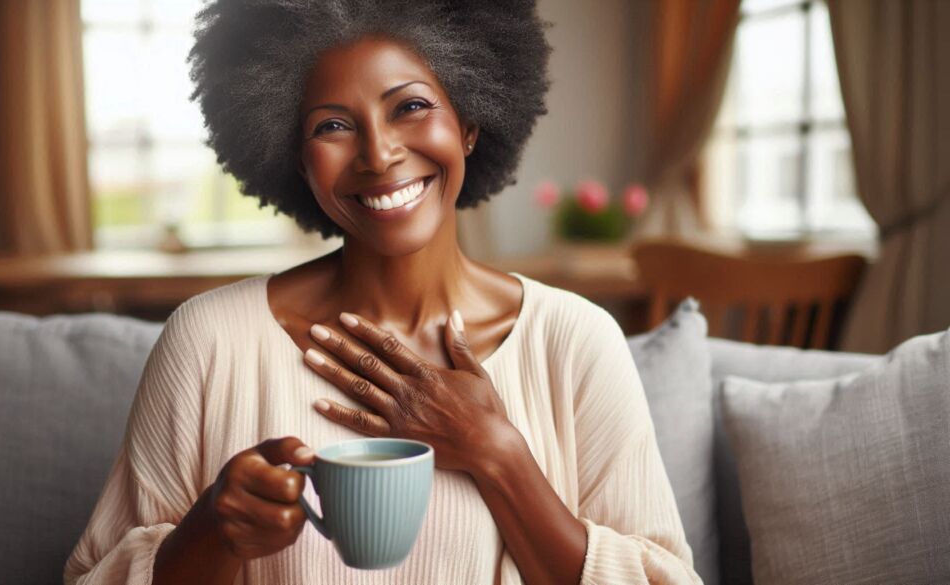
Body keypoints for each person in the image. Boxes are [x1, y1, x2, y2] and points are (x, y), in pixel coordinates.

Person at [64, 1, 703, 584]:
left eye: (412, 106)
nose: (379, 153)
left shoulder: (575, 340)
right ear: (296, 158)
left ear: (470, 123)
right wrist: (209, 537)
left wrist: (497, 452)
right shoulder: (208, 341)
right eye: (333, 126)